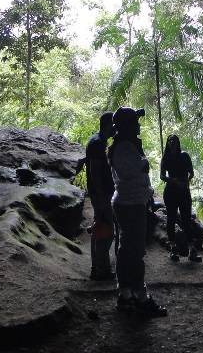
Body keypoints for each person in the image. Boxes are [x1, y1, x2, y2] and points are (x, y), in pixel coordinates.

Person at [108, 106, 167, 317]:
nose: (137, 126)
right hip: (129, 203)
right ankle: (137, 296)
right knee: (133, 252)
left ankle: (129, 295)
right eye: (134, 122)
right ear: (126, 126)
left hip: (132, 202)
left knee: (129, 250)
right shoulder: (124, 148)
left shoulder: (126, 146)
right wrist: (143, 161)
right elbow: (137, 170)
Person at [160, 134, 202, 263]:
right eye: (169, 140)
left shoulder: (185, 156)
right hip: (171, 192)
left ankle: (192, 251)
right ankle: (173, 249)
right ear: (168, 143)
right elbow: (162, 176)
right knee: (171, 220)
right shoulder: (166, 157)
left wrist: (185, 182)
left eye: (174, 140)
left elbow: (192, 173)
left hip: (184, 191)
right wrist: (172, 180)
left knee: (186, 219)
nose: (172, 142)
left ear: (178, 142)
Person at [85, 112, 116, 281]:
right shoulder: (97, 144)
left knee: (99, 229)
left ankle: (96, 268)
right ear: (108, 125)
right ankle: (101, 269)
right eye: (114, 126)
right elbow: (95, 172)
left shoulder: (97, 141)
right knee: (106, 231)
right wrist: (101, 196)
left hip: (100, 194)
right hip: (101, 195)